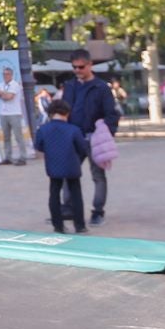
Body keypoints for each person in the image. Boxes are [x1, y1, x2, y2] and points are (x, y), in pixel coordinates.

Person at [60, 49, 120, 226]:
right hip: (73, 137)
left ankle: (98, 211)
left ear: (90, 64)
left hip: (94, 137)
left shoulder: (101, 88)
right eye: (74, 67)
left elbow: (111, 114)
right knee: (67, 174)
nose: (77, 70)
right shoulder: (70, 86)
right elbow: (63, 110)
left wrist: (106, 133)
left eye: (81, 67)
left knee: (98, 176)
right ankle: (68, 208)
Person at [33, 99, 89, 234]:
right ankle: (80, 225)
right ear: (67, 113)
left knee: (54, 193)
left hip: (53, 165)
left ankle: (58, 226)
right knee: (76, 194)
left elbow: (38, 145)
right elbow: (82, 147)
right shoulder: (73, 129)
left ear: (50, 114)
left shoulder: (43, 129)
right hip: (72, 164)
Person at [0, 65, 27, 165]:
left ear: (11, 75)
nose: (5, 76)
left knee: (18, 136)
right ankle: (8, 156)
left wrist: (0, 93)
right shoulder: (1, 84)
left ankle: (23, 157)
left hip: (14, 113)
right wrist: (2, 93)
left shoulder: (15, 85)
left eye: (7, 74)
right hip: (3, 113)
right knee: (6, 136)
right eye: (4, 74)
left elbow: (9, 97)